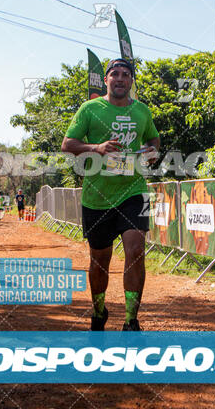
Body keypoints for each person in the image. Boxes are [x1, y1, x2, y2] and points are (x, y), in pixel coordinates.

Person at [61, 58, 160, 331]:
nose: (119, 78)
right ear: (106, 80)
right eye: (114, 74)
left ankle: (131, 319)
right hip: (97, 196)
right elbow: (68, 144)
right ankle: (99, 310)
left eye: (125, 74)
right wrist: (97, 147)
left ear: (131, 81)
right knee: (100, 261)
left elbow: (153, 139)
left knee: (136, 250)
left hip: (133, 191)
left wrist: (151, 151)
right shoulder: (90, 109)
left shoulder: (142, 111)